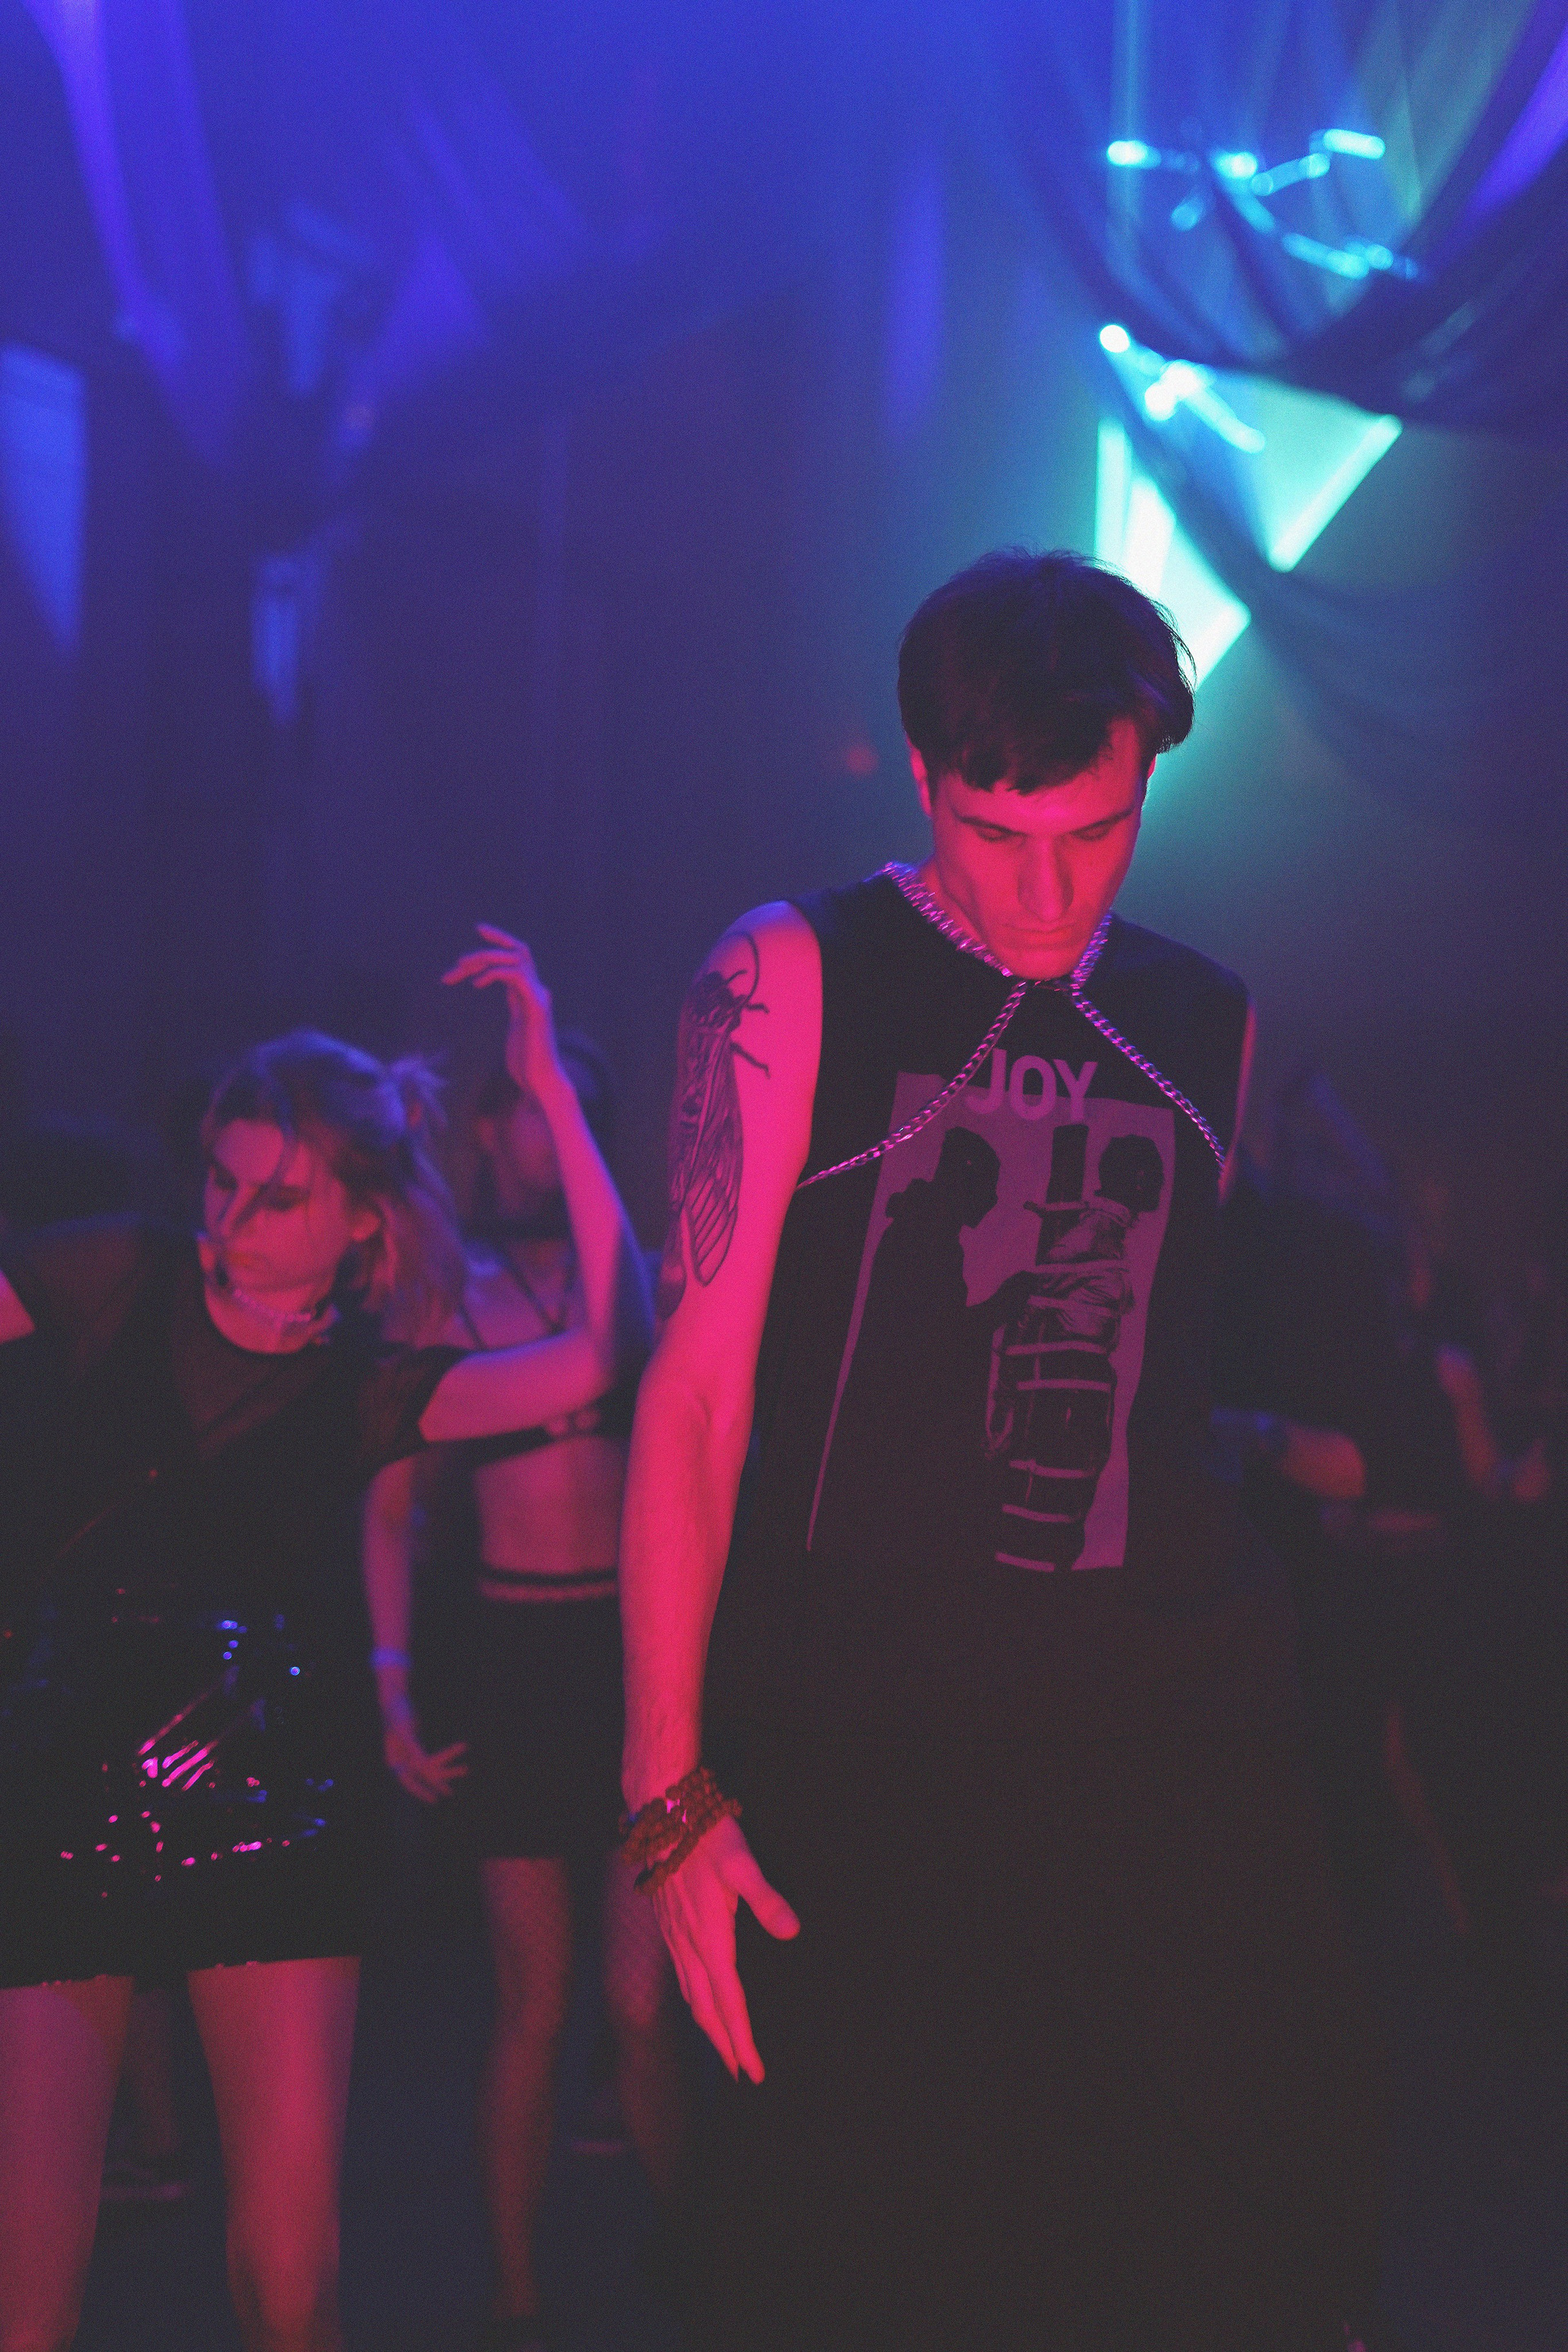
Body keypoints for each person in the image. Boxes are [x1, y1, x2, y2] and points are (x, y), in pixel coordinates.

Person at [618, 551, 1388, 2350]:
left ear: (1148, 783)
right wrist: (667, 1792)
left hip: (1169, 1741)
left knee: (1217, 2252)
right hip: (868, 1743)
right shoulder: (790, 973)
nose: (1047, 888)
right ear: (920, 778)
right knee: (865, 2260)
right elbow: (696, 1398)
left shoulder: (1207, 1016)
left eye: (1096, 833)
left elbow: (1161, 1396)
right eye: (996, 833)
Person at [0, 928, 648, 2352]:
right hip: (60, 1802)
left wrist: (551, 1091)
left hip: (270, 1819)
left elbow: (609, 1349)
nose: (231, 1220)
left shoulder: (372, 1389)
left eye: (278, 1195)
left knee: (292, 2282)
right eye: (220, 1181)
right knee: (25, 2293)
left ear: (363, 1218)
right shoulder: (119, 1272)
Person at [363, 1036, 680, 2352]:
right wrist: (391, 1686)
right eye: (525, 1116)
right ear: (486, 1135)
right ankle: (513, 2291)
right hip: (507, 1665)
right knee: (534, 2005)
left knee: (644, 2005)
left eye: (566, 1115)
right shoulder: (448, 1300)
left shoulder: (634, 1282)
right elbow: (389, 1510)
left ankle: (699, 2262)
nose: (544, 1140)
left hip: (634, 1661)